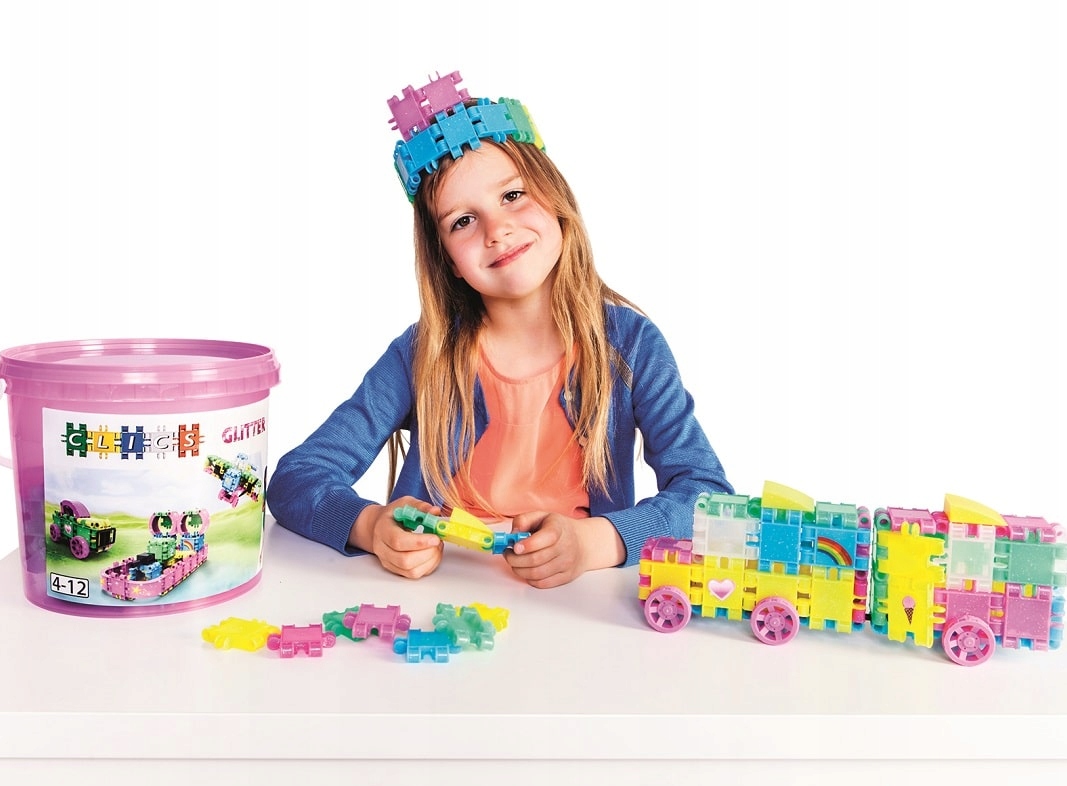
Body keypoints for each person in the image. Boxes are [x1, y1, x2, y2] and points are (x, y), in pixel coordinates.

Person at [266, 71, 732, 588]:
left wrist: (594, 542)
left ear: (555, 197)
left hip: (577, 603)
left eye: (512, 195)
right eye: (463, 221)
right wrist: (370, 526)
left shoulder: (632, 347)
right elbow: (295, 479)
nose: (497, 229)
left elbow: (707, 498)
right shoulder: (421, 354)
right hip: (435, 597)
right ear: (447, 259)